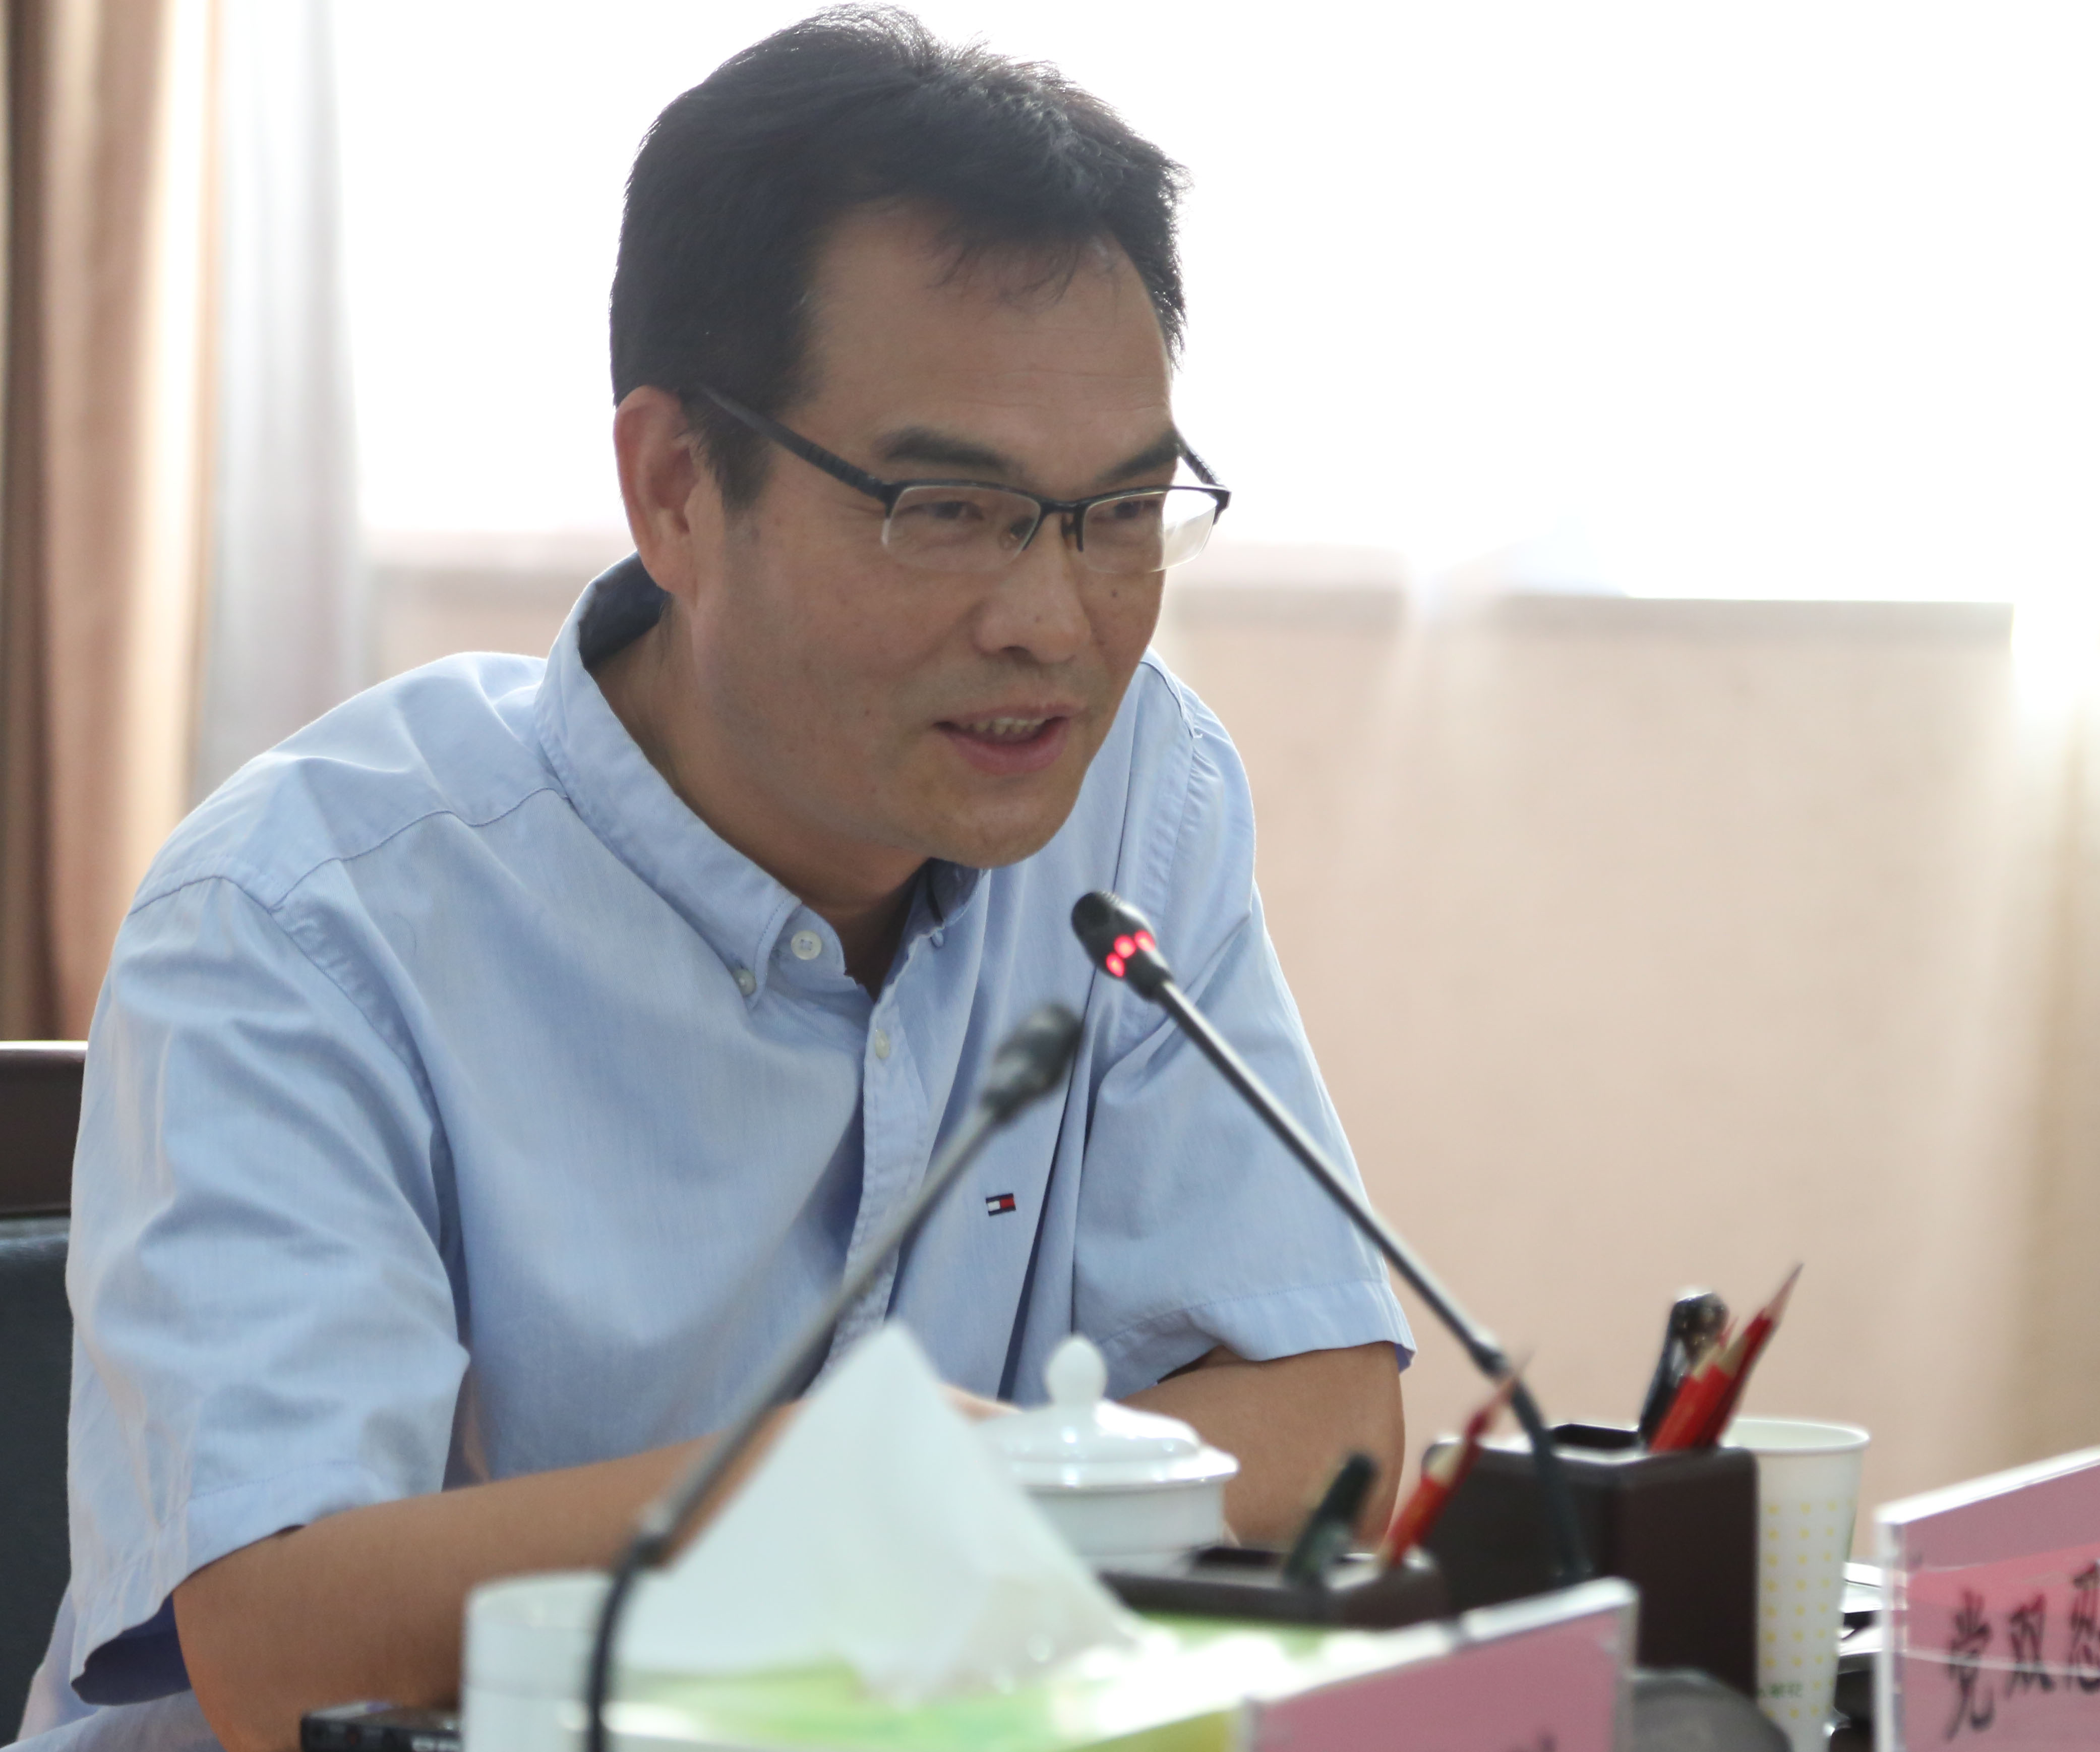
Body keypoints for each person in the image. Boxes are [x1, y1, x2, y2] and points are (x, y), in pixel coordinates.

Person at [19, 12, 1412, 1752]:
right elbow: (286, 1640)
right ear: (676, 488)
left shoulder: (1129, 801)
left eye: (1121, 512)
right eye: (949, 508)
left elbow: (1329, 1420)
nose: (1056, 623)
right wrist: (813, 1492)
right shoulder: (298, 918)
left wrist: (942, 1500)